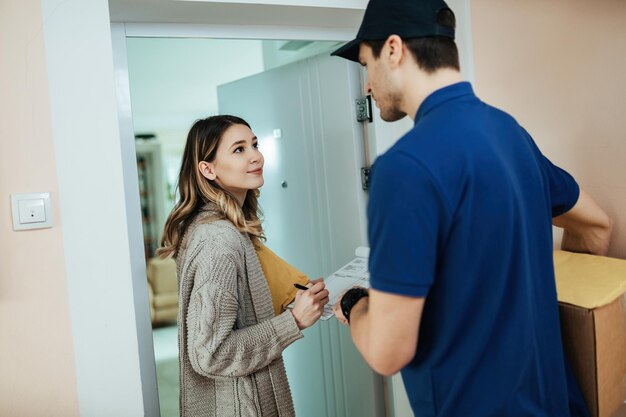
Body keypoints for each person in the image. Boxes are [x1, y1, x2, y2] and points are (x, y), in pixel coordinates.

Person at [330, 1, 613, 416]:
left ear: (393, 50)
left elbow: (387, 352)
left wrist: (356, 305)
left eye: (365, 64)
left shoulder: (404, 169)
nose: (367, 86)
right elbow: (597, 227)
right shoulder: (510, 134)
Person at [157, 115, 329, 417]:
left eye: (254, 144)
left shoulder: (225, 229)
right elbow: (210, 354)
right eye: (238, 149)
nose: (255, 156)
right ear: (207, 169)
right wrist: (294, 322)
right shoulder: (218, 240)